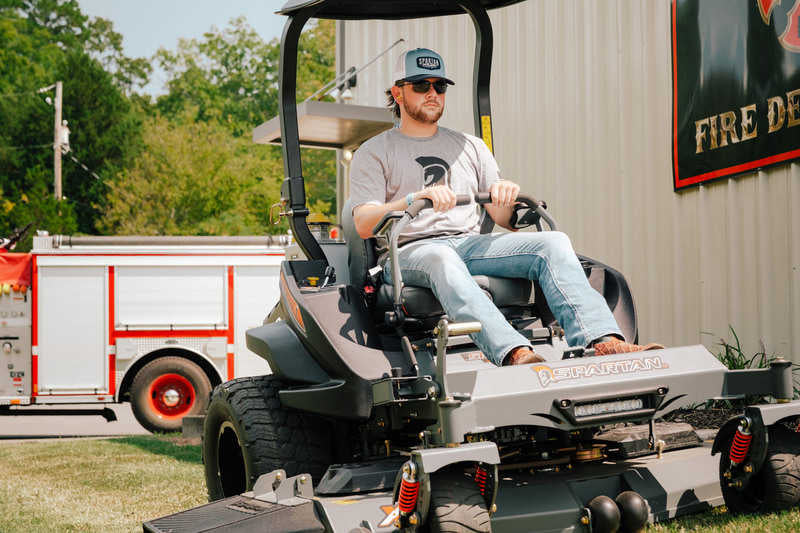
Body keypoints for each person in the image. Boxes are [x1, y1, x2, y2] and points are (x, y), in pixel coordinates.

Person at [348, 48, 662, 366]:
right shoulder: (374, 152)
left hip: (470, 245)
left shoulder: (471, 146)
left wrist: (504, 194)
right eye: (421, 85)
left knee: (554, 242)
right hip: (411, 250)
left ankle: (601, 340)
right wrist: (413, 200)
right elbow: (363, 222)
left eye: (439, 86)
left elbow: (503, 219)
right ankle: (514, 353)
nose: (432, 94)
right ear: (397, 92)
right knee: (441, 256)